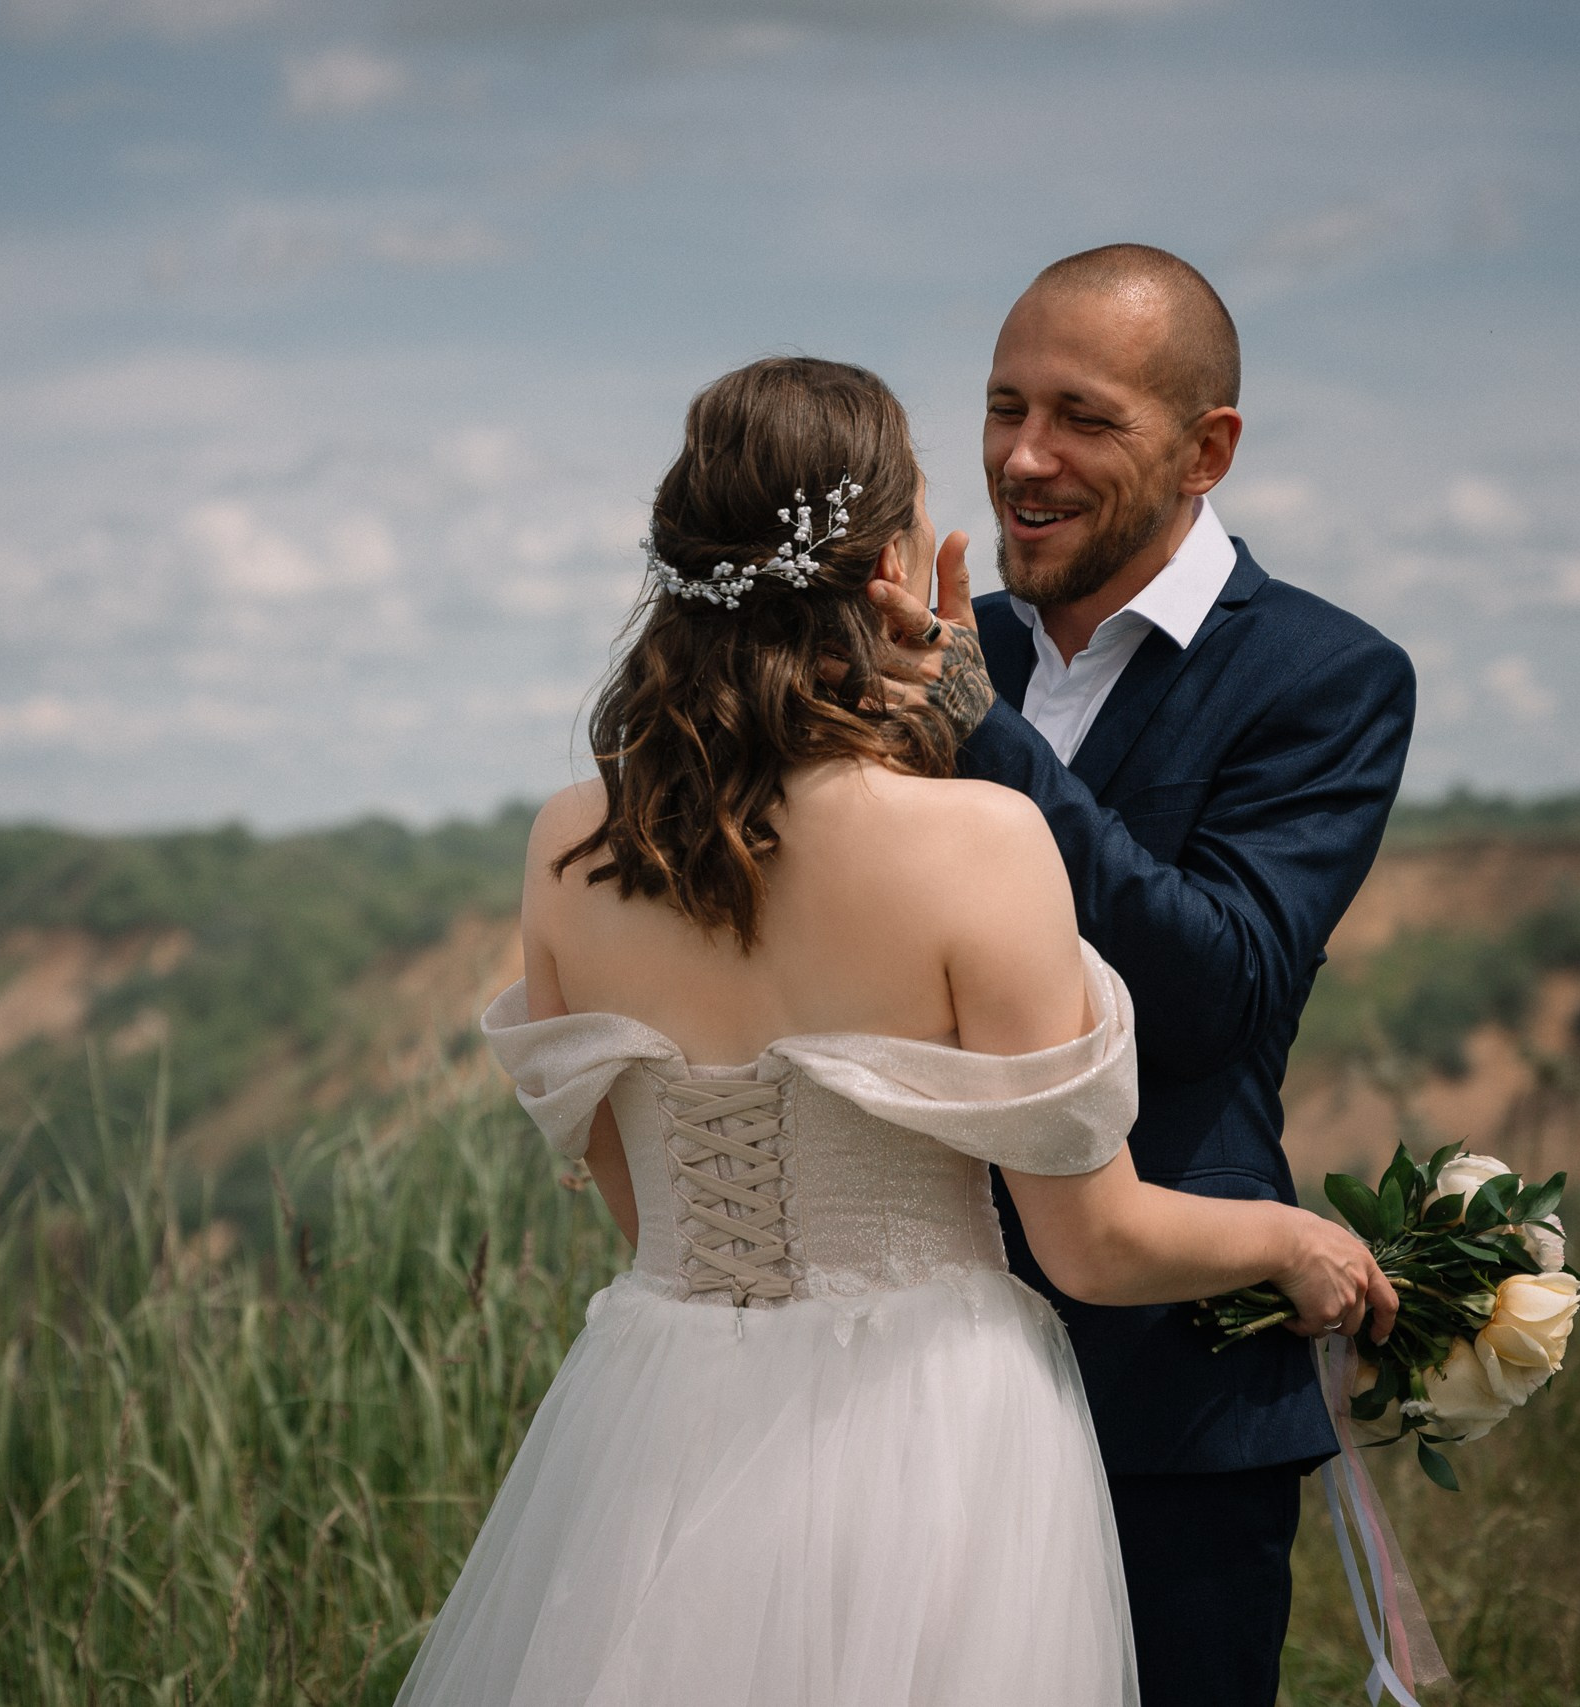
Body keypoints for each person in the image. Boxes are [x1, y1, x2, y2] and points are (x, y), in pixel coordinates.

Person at [397, 354, 1395, 1707]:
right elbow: (1092, 1248)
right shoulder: (982, 842)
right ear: (885, 565)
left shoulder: (572, 841)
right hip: (934, 1433)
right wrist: (1292, 1241)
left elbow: (645, 1215)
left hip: (659, 1414)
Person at [865, 246, 1420, 1707]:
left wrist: (988, 742)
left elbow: (1216, 989)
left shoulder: (1325, 677)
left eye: (1083, 418)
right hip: (901, 1381)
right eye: (1003, 407)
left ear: (1205, 449)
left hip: (1164, 1398)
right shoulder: (938, 651)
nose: (1021, 458)